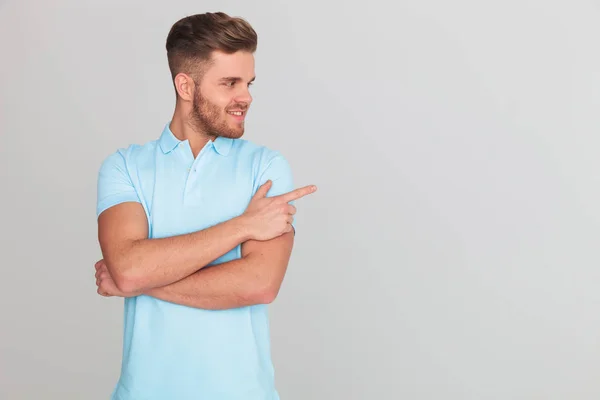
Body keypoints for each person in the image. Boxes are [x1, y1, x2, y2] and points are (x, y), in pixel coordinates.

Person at [93, 11, 317, 400]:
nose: (245, 96)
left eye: (248, 83)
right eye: (229, 83)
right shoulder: (124, 166)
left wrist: (142, 281)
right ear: (185, 85)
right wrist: (243, 226)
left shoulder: (265, 167)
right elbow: (128, 270)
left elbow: (259, 284)